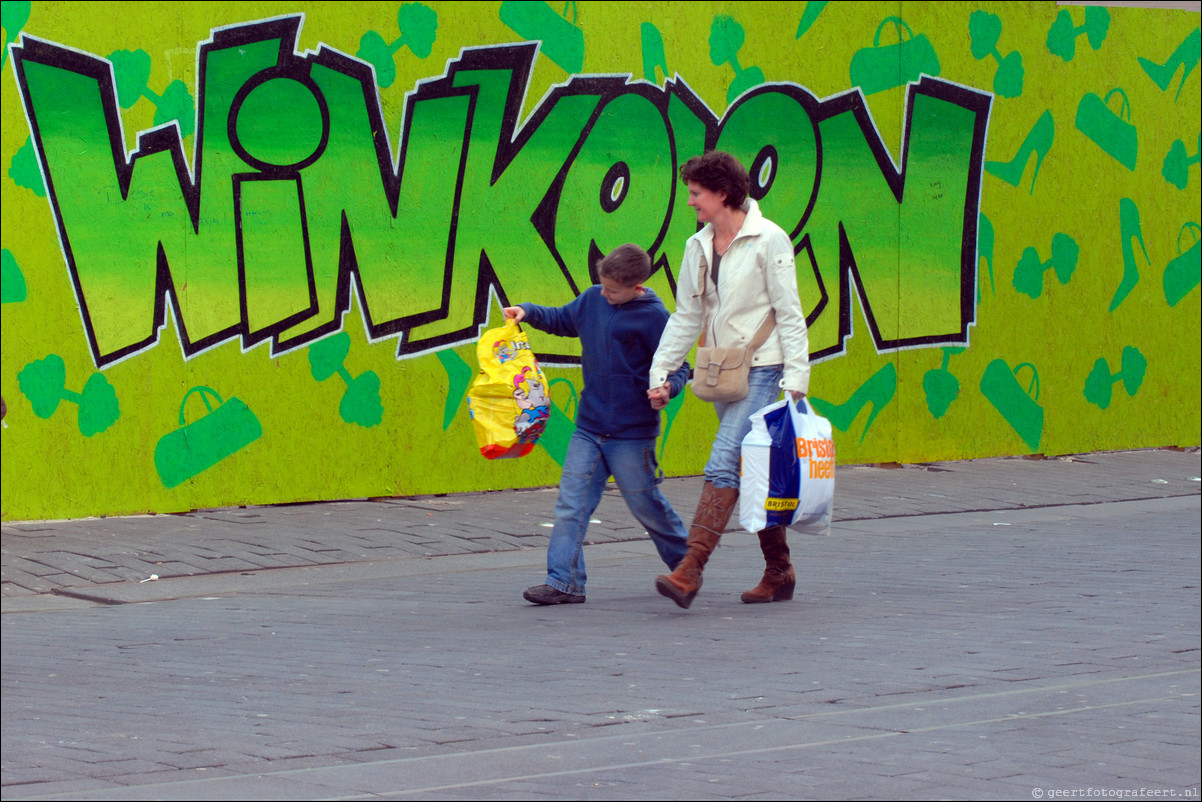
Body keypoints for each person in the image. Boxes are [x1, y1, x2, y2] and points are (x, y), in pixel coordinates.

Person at [648, 150, 812, 609]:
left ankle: (690, 570)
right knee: (752, 468)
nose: (690, 202)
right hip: (724, 371)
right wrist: (661, 372)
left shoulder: (769, 239)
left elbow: (789, 312)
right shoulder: (697, 246)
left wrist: (797, 376)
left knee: (723, 460)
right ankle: (779, 570)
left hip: (765, 367)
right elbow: (686, 315)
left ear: (723, 193)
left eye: (696, 194)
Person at [507, 243, 692, 605]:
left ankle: (688, 565)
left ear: (637, 287)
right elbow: (563, 318)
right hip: (589, 429)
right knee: (571, 503)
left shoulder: (656, 318)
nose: (603, 295)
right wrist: (526, 312)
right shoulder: (593, 299)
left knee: (646, 505)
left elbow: (680, 366)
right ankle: (564, 581)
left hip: (632, 434)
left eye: (612, 290)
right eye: (602, 286)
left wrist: (669, 387)